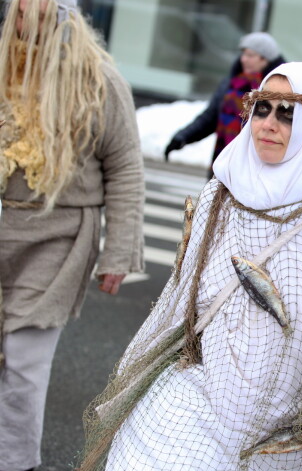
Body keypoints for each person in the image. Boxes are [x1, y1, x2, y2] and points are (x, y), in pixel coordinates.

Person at [79, 62, 302, 471]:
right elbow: (188, 291)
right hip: (201, 388)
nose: (269, 124)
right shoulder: (224, 188)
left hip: (290, 414)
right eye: (263, 109)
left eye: (288, 114)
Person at [0, 1, 144, 470]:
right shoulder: (3, 67)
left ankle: (17, 462)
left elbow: (124, 167)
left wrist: (118, 253)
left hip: (58, 237)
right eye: (19, 11)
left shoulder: (98, 80)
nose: (25, 21)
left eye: (36, 10)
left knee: (23, 361)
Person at [163, 32, 286, 179]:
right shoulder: (231, 83)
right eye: (243, 54)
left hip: (254, 168)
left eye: (250, 55)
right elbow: (210, 118)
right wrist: (182, 137)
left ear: (265, 59)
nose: (244, 59)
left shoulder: (278, 90)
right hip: (222, 159)